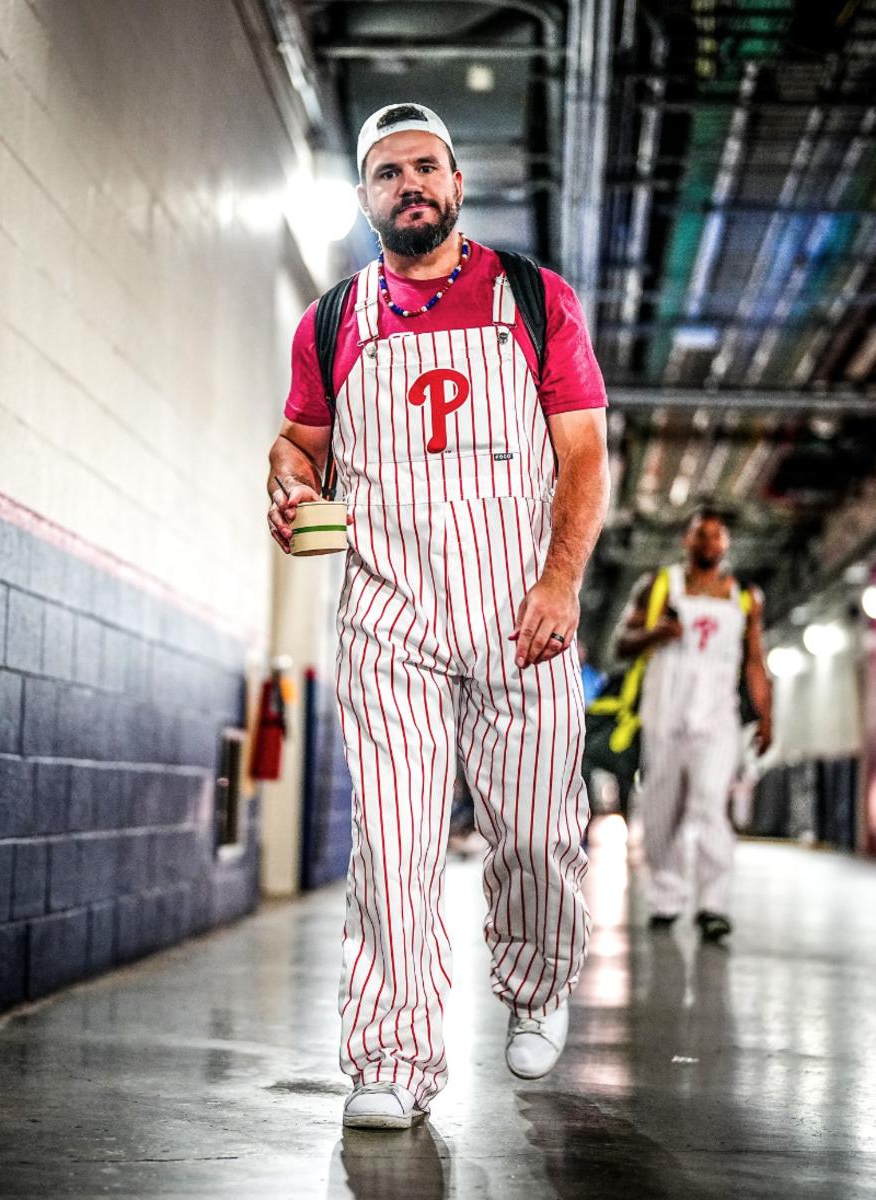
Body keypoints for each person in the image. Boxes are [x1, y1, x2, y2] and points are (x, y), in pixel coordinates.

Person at [266, 103, 610, 1129]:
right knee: (393, 844)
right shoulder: (331, 322)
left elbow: (582, 454)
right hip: (389, 615)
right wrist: (286, 486)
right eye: (385, 173)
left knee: (539, 838)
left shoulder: (535, 302)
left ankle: (537, 980)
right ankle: (390, 1060)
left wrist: (559, 581)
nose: (407, 184)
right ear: (367, 198)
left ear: (457, 184)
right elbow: (298, 445)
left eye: (425, 167)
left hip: (522, 614)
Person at [614, 508, 773, 942]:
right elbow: (621, 643)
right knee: (662, 809)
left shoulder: (744, 598)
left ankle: (712, 905)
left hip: (717, 719)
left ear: (726, 545)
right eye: (700, 535)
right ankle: (667, 896)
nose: (709, 543)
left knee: (710, 805)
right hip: (665, 714)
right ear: (687, 540)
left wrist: (766, 716)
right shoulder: (659, 586)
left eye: (717, 537)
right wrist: (656, 634)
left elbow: (755, 661)